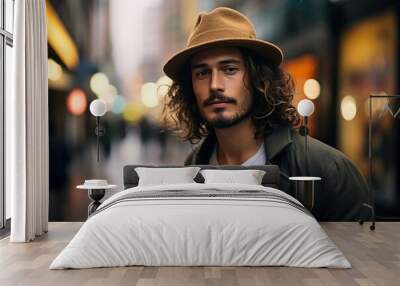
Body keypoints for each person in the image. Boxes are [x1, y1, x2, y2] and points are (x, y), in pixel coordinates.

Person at [162, 7, 368, 221]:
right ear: (191, 87)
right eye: (202, 73)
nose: (215, 85)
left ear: (258, 79)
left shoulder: (328, 171)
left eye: (230, 69)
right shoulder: (192, 169)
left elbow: (360, 251)